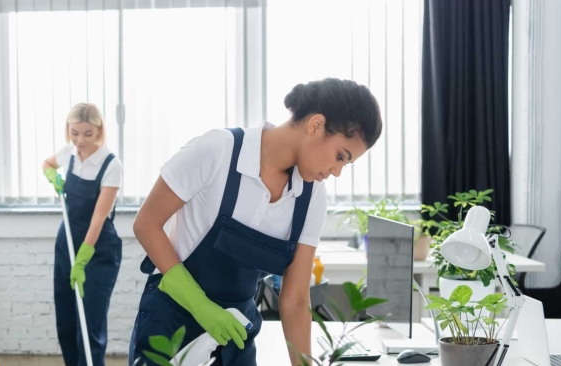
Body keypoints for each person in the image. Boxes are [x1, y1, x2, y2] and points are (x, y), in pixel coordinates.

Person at [128, 78, 382, 365]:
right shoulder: (218, 151)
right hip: (171, 324)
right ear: (316, 125)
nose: (337, 171)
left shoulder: (312, 196)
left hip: (235, 336)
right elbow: (146, 223)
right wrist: (199, 305)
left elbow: (296, 300)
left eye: (345, 164)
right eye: (340, 156)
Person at [42, 103, 124, 366]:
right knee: (66, 321)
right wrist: (52, 175)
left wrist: (83, 258)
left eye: (87, 133)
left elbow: (99, 217)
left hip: (98, 249)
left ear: (99, 130)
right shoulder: (69, 154)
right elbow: (47, 163)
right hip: (66, 241)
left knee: (89, 327)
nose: (80, 140)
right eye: (74, 132)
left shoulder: (111, 165)